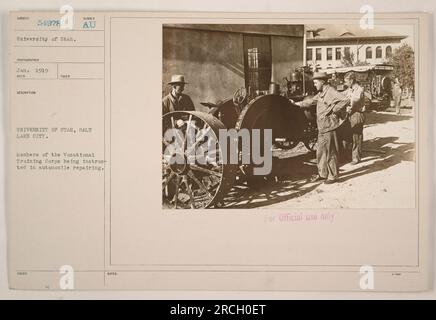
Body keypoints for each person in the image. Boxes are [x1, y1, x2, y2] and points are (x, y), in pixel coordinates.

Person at [296, 72, 349, 184]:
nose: (314, 85)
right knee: (320, 152)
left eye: (316, 82)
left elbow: (345, 100)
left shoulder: (330, 91)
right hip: (322, 127)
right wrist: (297, 104)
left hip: (329, 126)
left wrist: (333, 110)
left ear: (322, 82)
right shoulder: (321, 93)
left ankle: (333, 176)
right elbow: (311, 101)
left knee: (331, 152)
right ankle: (323, 174)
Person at [343, 71, 365, 165]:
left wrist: (347, 104)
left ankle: (356, 158)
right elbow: (342, 94)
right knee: (348, 136)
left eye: (346, 81)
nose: (345, 83)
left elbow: (354, 100)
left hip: (357, 114)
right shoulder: (350, 89)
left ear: (351, 80)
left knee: (356, 137)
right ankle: (349, 156)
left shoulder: (359, 89)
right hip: (350, 115)